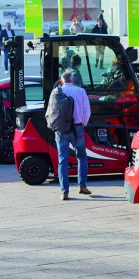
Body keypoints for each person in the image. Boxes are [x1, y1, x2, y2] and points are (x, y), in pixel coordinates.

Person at [47, 70, 92, 201]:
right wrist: (82, 124)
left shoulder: (56, 92)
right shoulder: (81, 91)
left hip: (61, 131)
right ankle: (82, 186)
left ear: (61, 81)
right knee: (82, 157)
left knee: (62, 161)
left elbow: (50, 111)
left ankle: (64, 192)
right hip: (77, 128)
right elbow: (86, 111)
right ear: (73, 80)